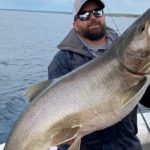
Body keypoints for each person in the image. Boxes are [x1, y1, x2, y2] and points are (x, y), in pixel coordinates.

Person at [48, 0, 150, 149]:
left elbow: (147, 100)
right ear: (74, 23)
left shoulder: (128, 52)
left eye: (97, 12)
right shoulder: (62, 61)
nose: (93, 17)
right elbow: (53, 115)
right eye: (84, 15)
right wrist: (62, 136)